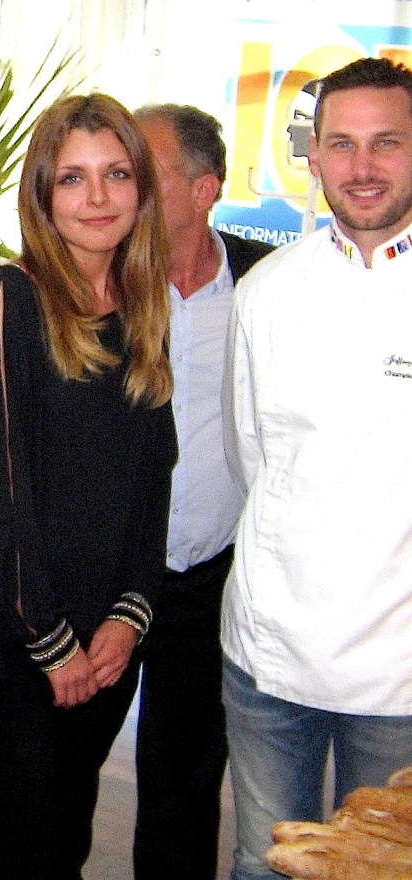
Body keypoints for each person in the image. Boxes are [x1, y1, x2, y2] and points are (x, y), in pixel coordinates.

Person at [0, 94, 177, 879]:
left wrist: (129, 616)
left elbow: (152, 482)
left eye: (115, 175)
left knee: (64, 839)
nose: (97, 197)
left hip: (104, 640)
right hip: (11, 643)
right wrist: (51, 641)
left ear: (140, 189)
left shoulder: (141, 307)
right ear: (42, 195)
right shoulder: (7, 301)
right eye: (72, 178)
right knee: (25, 846)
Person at [223, 56, 412, 880]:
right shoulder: (266, 291)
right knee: (264, 862)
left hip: (400, 675)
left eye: (385, 143)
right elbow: (249, 459)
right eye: (340, 143)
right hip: (271, 656)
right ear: (315, 155)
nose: (361, 167)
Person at [129, 103, 274, 880]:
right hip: (109, 578)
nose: (122, 188)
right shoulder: (99, 282)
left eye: (142, 170)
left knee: (183, 789)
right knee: (55, 789)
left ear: (202, 188)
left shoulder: (267, 287)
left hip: (211, 577)